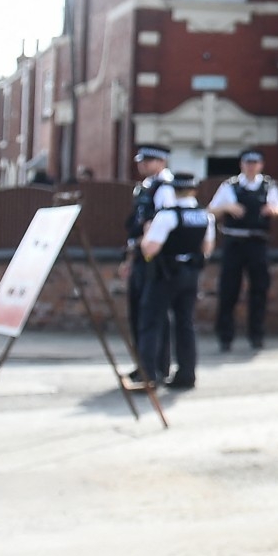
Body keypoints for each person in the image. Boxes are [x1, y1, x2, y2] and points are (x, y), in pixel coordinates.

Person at [139, 174, 212, 390]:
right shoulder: (204, 215)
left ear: (173, 191)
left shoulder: (166, 216)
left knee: (151, 322)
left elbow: (150, 249)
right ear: (193, 191)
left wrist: (146, 234)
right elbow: (207, 248)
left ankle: (149, 375)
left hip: (165, 274)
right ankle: (187, 374)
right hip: (190, 274)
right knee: (185, 324)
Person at [209, 150, 278, 352]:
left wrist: (272, 210)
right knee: (228, 290)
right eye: (247, 162)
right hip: (234, 240)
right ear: (241, 164)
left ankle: (256, 335)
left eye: (255, 163)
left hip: (257, 241)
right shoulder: (229, 186)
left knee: (259, 289)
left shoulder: (269, 186)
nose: (251, 166)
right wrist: (227, 207)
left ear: (261, 165)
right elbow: (210, 211)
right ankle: (225, 337)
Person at [121, 145, 176, 383]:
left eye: (149, 161)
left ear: (161, 162)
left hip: (156, 258)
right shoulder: (145, 187)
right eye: (142, 161)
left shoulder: (165, 188)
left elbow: (162, 223)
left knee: (152, 315)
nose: (142, 165)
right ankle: (143, 363)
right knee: (138, 313)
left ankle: (156, 366)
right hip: (140, 255)